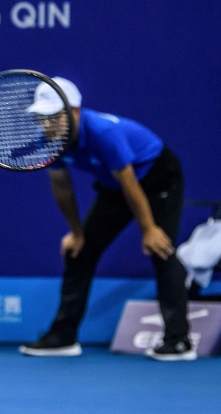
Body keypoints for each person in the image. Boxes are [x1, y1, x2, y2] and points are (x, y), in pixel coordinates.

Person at [19, 77, 194, 361]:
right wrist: (76, 232)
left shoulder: (103, 133)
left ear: (75, 112)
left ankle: (179, 340)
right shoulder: (49, 141)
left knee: (161, 249)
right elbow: (62, 187)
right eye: (41, 117)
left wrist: (148, 229)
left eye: (54, 117)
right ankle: (62, 337)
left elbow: (130, 184)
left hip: (157, 177)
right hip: (116, 186)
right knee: (80, 251)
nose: (47, 125)